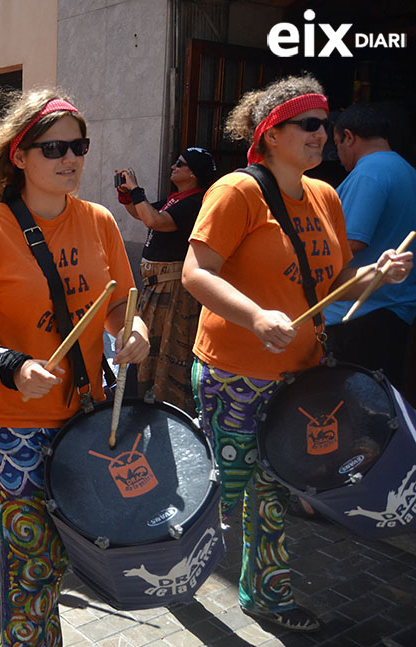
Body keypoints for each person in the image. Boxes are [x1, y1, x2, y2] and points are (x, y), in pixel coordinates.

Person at [182, 75, 412, 632]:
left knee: (273, 488)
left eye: (325, 125)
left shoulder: (326, 195)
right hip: (235, 373)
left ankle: (266, 595)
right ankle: (169, 566)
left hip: (301, 377)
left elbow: (337, 284)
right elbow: (196, 273)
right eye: (309, 125)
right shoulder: (236, 192)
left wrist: (375, 278)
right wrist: (256, 316)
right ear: (270, 133)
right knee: (224, 488)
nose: (323, 135)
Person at [0, 89, 149, 645]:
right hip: (13, 420)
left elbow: (123, 313)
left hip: (86, 416)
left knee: (67, 554)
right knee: (29, 563)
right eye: (54, 148)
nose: (70, 158)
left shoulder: (100, 221)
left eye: (79, 145)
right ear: (20, 156)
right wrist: (10, 363)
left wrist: (135, 338)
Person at [114, 147, 217, 413]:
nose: (173, 166)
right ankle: (146, 399)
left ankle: (167, 407)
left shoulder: (195, 203)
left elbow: (154, 220)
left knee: (167, 351)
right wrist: (127, 195)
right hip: (156, 287)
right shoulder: (177, 198)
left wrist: (137, 190)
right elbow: (141, 213)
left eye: (180, 164)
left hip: (172, 290)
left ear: (192, 173)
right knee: (149, 347)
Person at [323, 103, 416, 394]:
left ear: (348, 137)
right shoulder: (407, 170)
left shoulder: (369, 173)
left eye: (336, 144)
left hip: (360, 312)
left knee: (348, 408)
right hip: (395, 308)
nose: (338, 157)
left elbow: (351, 240)